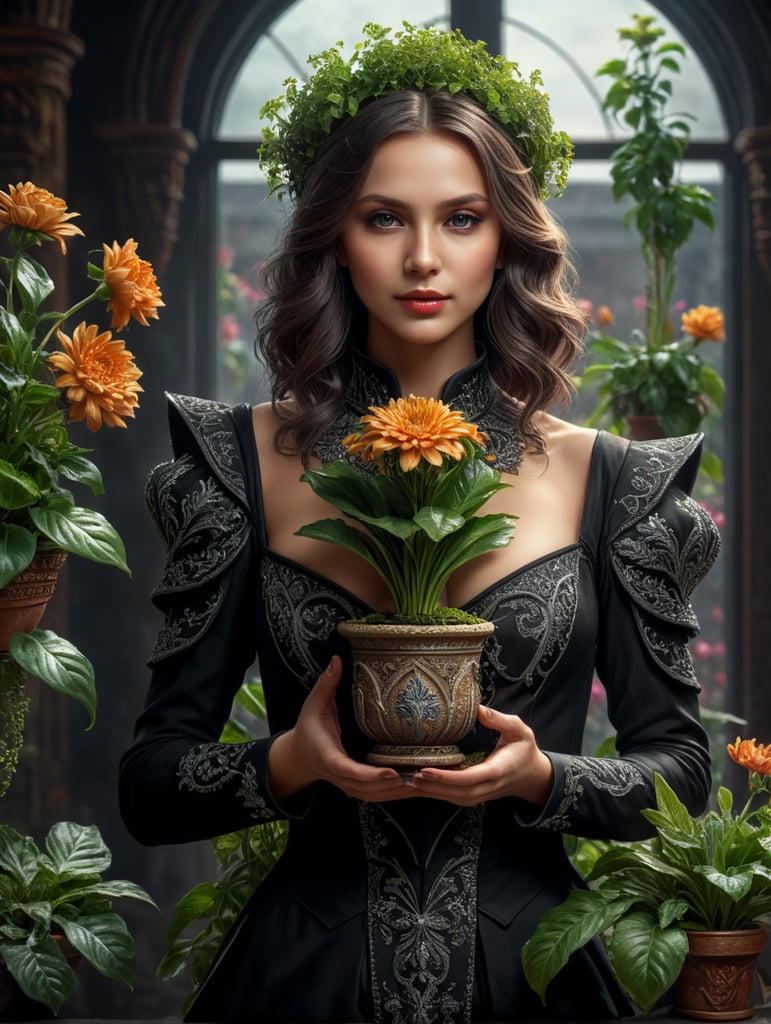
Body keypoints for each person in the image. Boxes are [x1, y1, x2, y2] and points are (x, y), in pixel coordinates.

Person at [119, 23, 720, 1024]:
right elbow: (147, 783)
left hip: (536, 978)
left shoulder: (603, 476)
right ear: (336, 240)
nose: (426, 257)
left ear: (507, 237)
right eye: (386, 218)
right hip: (300, 981)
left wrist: (543, 777)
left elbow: (684, 772)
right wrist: (287, 764)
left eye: (465, 218)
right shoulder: (240, 462)